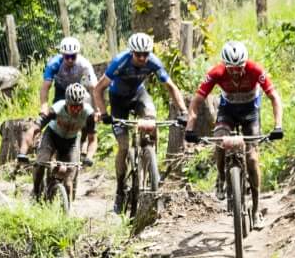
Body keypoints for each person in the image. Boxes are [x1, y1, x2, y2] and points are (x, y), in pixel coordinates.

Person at [184, 41, 284, 229]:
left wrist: (278, 126)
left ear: (245, 64)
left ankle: (255, 209)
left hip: (250, 114)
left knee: (253, 159)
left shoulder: (255, 69)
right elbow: (197, 101)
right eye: (231, 69)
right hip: (227, 112)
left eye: (240, 68)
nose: (236, 72)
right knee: (220, 141)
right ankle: (221, 178)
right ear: (225, 65)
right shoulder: (216, 73)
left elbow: (274, 97)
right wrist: (190, 128)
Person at [94, 32, 188, 215]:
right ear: (131, 53)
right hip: (118, 100)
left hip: (138, 95)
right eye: (139, 55)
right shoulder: (119, 61)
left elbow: (171, 87)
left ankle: (152, 164)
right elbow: (98, 89)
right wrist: (104, 113)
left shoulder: (153, 61)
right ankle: (120, 189)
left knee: (151, 119)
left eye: (146, 54)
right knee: (123, 145)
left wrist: (184, 111)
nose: (143, 58)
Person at [19, 83, 97, 201]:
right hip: (52, 136)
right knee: (41, 162)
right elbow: (34, 129)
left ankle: (67, 210)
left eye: (79, 106)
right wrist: (22, 152)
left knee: (69, 180)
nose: (76, 110)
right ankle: (35, 192)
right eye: (73, 106)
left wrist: (89, 157)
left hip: (72, 141)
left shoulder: (89, 114)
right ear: (66, 103)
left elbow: (93, 139)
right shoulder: (56, 109)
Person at [40, 38, 98, 164]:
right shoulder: (54, 63)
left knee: (85, 112)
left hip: (78, 90)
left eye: (73, 56)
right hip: (61, 91)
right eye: (67, 57)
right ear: (62, 55)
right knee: (56, 115)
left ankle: (82, 142)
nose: (70, 60)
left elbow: (93, 87)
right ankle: (49, 145)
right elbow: (45, 86)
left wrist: (97, 110)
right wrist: (44, 105)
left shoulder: (84, 64)